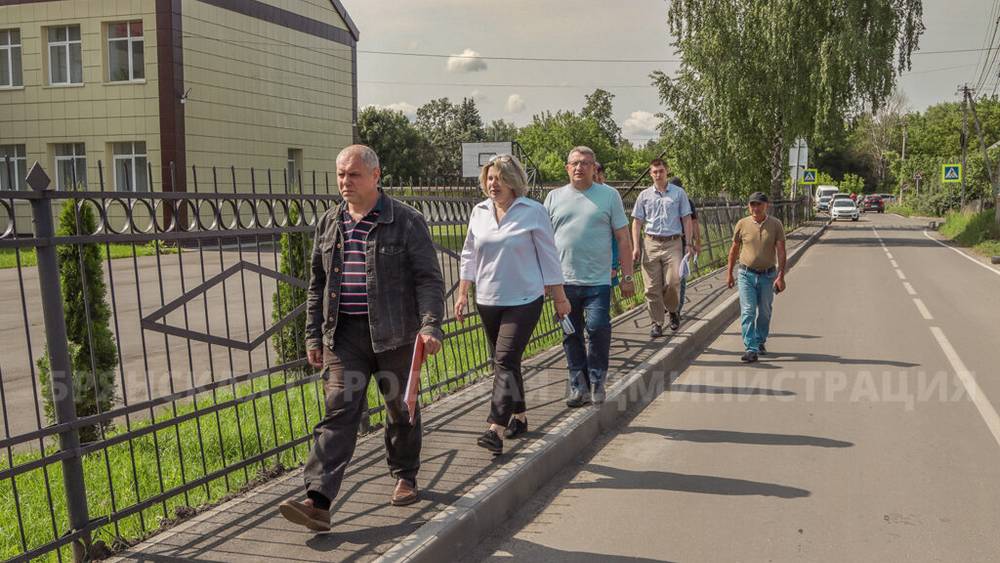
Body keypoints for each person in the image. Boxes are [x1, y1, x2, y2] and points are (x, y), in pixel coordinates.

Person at [279, 145, 445, 532]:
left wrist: (430, 325)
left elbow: (428, 279)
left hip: (396, 334)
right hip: (345, 336)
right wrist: (313, 336)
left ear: (375, 176)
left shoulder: (406, 220)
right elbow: (317, 285)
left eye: (353, 174)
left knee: (400, 408)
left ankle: (405, 475)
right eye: (340, 174)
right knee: (339, 411)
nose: (345, 182)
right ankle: (318, 501)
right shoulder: (329, 222)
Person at [455, 154, 570, 454]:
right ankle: (519, 416)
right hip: (488, 299)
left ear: (514, 181)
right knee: (507, 361)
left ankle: (495, 427)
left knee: (504, 359)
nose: (494, 184)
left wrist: (560, 298)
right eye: (491, 178)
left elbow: (549, 256)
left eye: (501, 178)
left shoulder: (533, 211)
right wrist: (463, 292)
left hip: (524, 298)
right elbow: (469, 254)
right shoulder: (479, 211)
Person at [545, 146, 635, 408]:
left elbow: (623, 238)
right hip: (564, 282)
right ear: (567, 168)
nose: (579, 167)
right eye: (574, 163)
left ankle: (597, 381)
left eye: (585, 163)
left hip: (598, 281)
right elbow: (543, 241)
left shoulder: (609, 196)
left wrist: (627, 276)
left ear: (594, 168)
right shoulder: (553, 197)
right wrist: (545, 279)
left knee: (597, 328)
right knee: (570, 334)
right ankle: (578, 386)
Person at [630, 160, 696, 337]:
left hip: (673, 242)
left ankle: (673, 310)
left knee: (673, 281)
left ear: (667, 171)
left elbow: (687, 219)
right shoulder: (644, 195)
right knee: (651, 287)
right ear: (650, 174)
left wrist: (689, 243)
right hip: (650, 243)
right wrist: (636, 246)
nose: (658, 174)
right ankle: (656, 322)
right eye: (655, 172)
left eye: (661, 171)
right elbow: (637, 222)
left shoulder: (678, 193)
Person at [726, 191, 787, 363]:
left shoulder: (775, 224)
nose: (755, 208)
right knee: (748, 311)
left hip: (768, 275)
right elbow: (734, 249)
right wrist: (729, 273)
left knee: (765, 312)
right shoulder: (742, 224)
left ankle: (760, 340)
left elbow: (781, 251)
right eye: (752, 204)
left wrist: (781, 276)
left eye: (759, 204)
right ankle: (750, 348)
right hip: (746, 274)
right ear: (748, 206)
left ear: (766, 205)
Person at [670, 176, 701, 321]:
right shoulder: (665, 200)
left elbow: (694, 223)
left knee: (680, 276)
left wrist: (696, 242)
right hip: (668, 243)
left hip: (683, 243)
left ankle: (677, 309)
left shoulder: (687, 202)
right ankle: (671, 305)